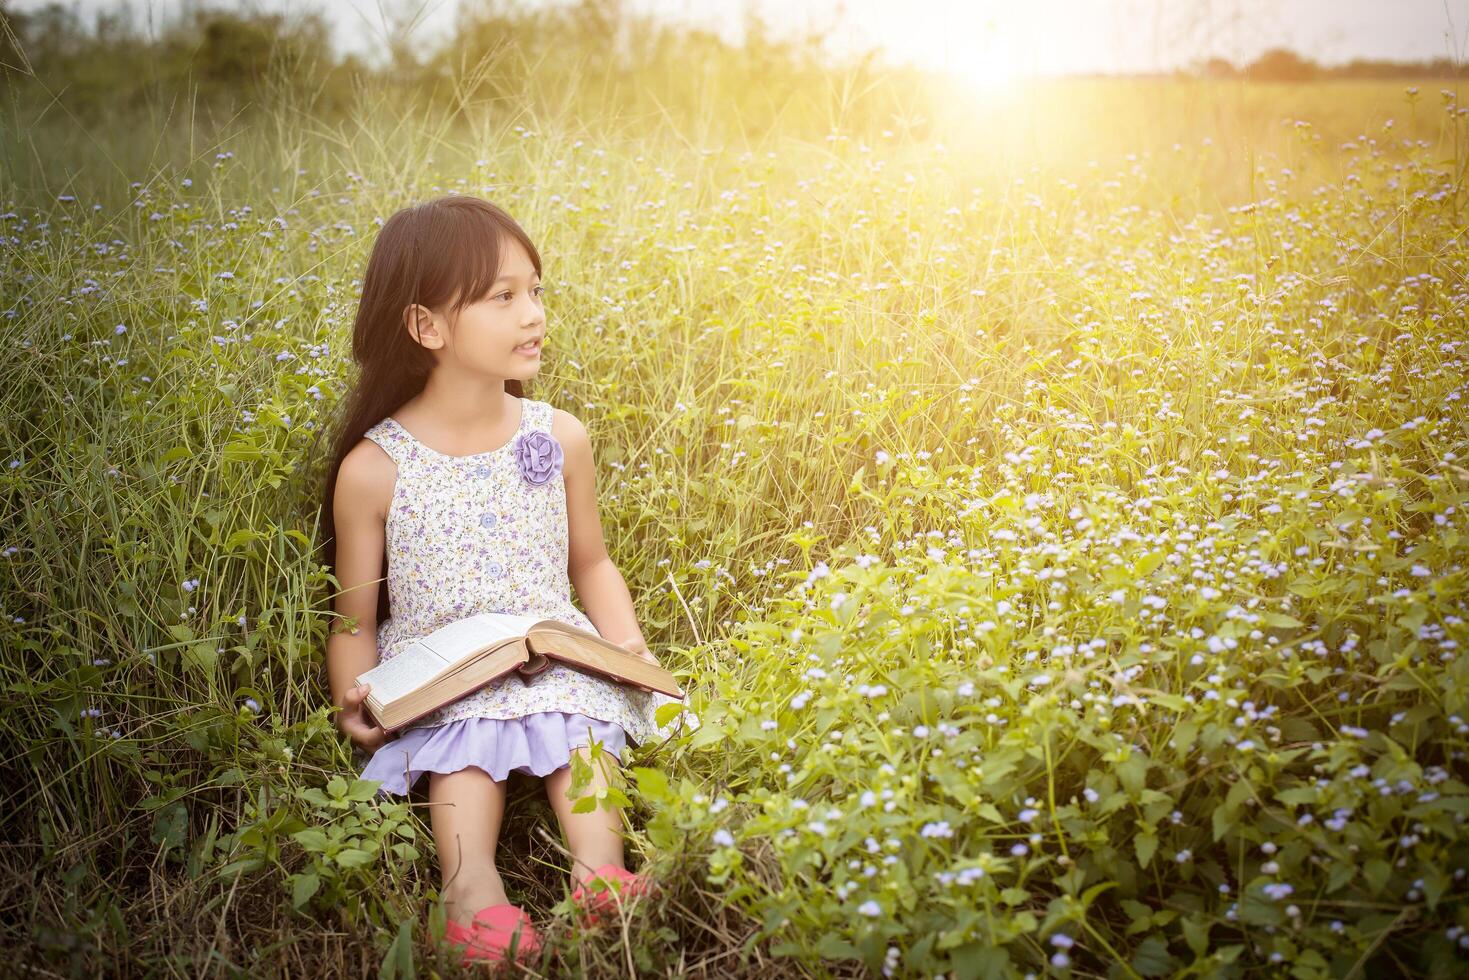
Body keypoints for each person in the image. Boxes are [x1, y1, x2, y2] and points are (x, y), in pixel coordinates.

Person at [317, 196, 684, 967]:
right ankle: (471, 891)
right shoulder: (376, 467)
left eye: (536, 291)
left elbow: (590, 562)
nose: (532, 315)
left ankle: (599, 871)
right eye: (502, 297)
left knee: (583, 718)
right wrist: (358, 699)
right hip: (445, 658)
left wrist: (626, 645)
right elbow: (353, 617)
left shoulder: (556, 435)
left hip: (549, 639)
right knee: (463, 741)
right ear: (427, 327)